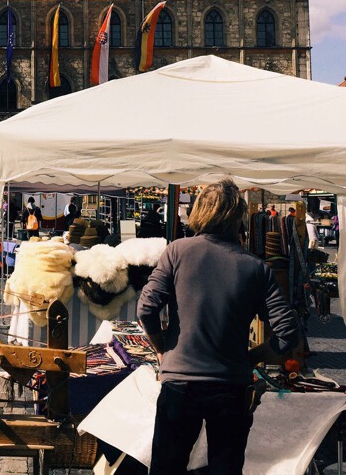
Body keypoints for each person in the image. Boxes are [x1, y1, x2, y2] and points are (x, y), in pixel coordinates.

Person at [138, 178, 299, 475]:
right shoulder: (255, 267)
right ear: (238, 216)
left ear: (199, 212)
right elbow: (288, 332)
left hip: (180, 383)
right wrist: (253, 357)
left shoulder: (177, 251)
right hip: (230, 387)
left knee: (166, 468)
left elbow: (146, 309)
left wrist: (162, 349)